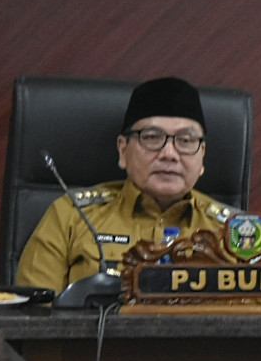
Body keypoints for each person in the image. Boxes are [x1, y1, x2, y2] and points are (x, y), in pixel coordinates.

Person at [16, 76, 236, 292]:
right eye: (152, 137)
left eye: (186, 141)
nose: (169, 154)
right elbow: (31, 316)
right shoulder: (70, 216)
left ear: (202, 156)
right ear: (123, 151)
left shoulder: (233, 231)